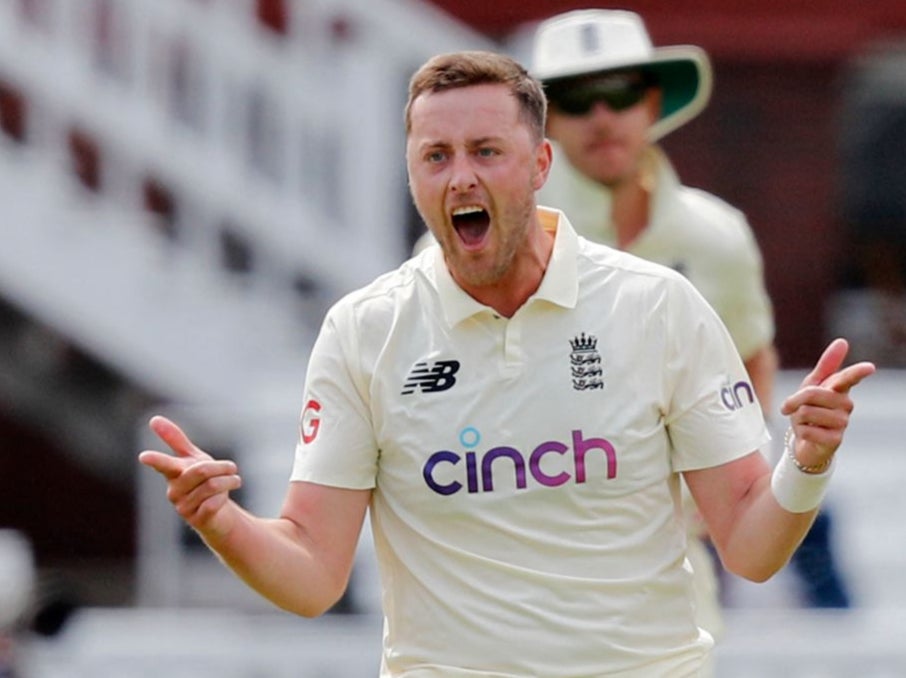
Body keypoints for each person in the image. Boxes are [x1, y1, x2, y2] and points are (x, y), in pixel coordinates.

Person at [139, 50, 875, 677]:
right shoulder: (365, 330)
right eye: (436, 156)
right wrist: (221, 521)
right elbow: (311, 574)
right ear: (412, 175)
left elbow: (749, 545)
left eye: (486, 151)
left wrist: (807, 461)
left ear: (540, 165)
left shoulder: (658, 306)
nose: (461, 177)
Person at [527, 7, 858, 617]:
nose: (602, 117)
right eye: (575, 99)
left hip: (677, 555)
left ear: (651, 104)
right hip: (534, 552)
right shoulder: (500, 240)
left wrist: (726, 489)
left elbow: (749, 361)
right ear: (542, 122)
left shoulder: (718, 235)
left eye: (620, 93)